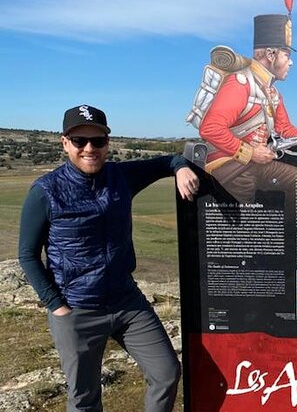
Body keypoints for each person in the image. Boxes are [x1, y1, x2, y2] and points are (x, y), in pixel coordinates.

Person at [18, 104, 199, 412]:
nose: (90, 148)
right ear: (65, 143)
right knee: (85, 399)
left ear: (107, 143)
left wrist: (181, 167)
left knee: (167, 372)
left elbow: (170, 160)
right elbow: (27, 255)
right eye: (80, 141)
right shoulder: (45, 192)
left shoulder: (121, 176)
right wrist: (57, 306)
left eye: (98, 141)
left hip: (126, 302)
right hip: (76, 309)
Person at [198, 6, 297, 205]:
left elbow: (285, 129)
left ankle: (292, 235)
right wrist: (250, 152)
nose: (290, 63)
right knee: (243, 207)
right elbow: (210, 128)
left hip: (255, 163)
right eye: (286, 55)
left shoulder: (273, 93)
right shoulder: (239, 84)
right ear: (270, 54)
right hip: (228, 165)